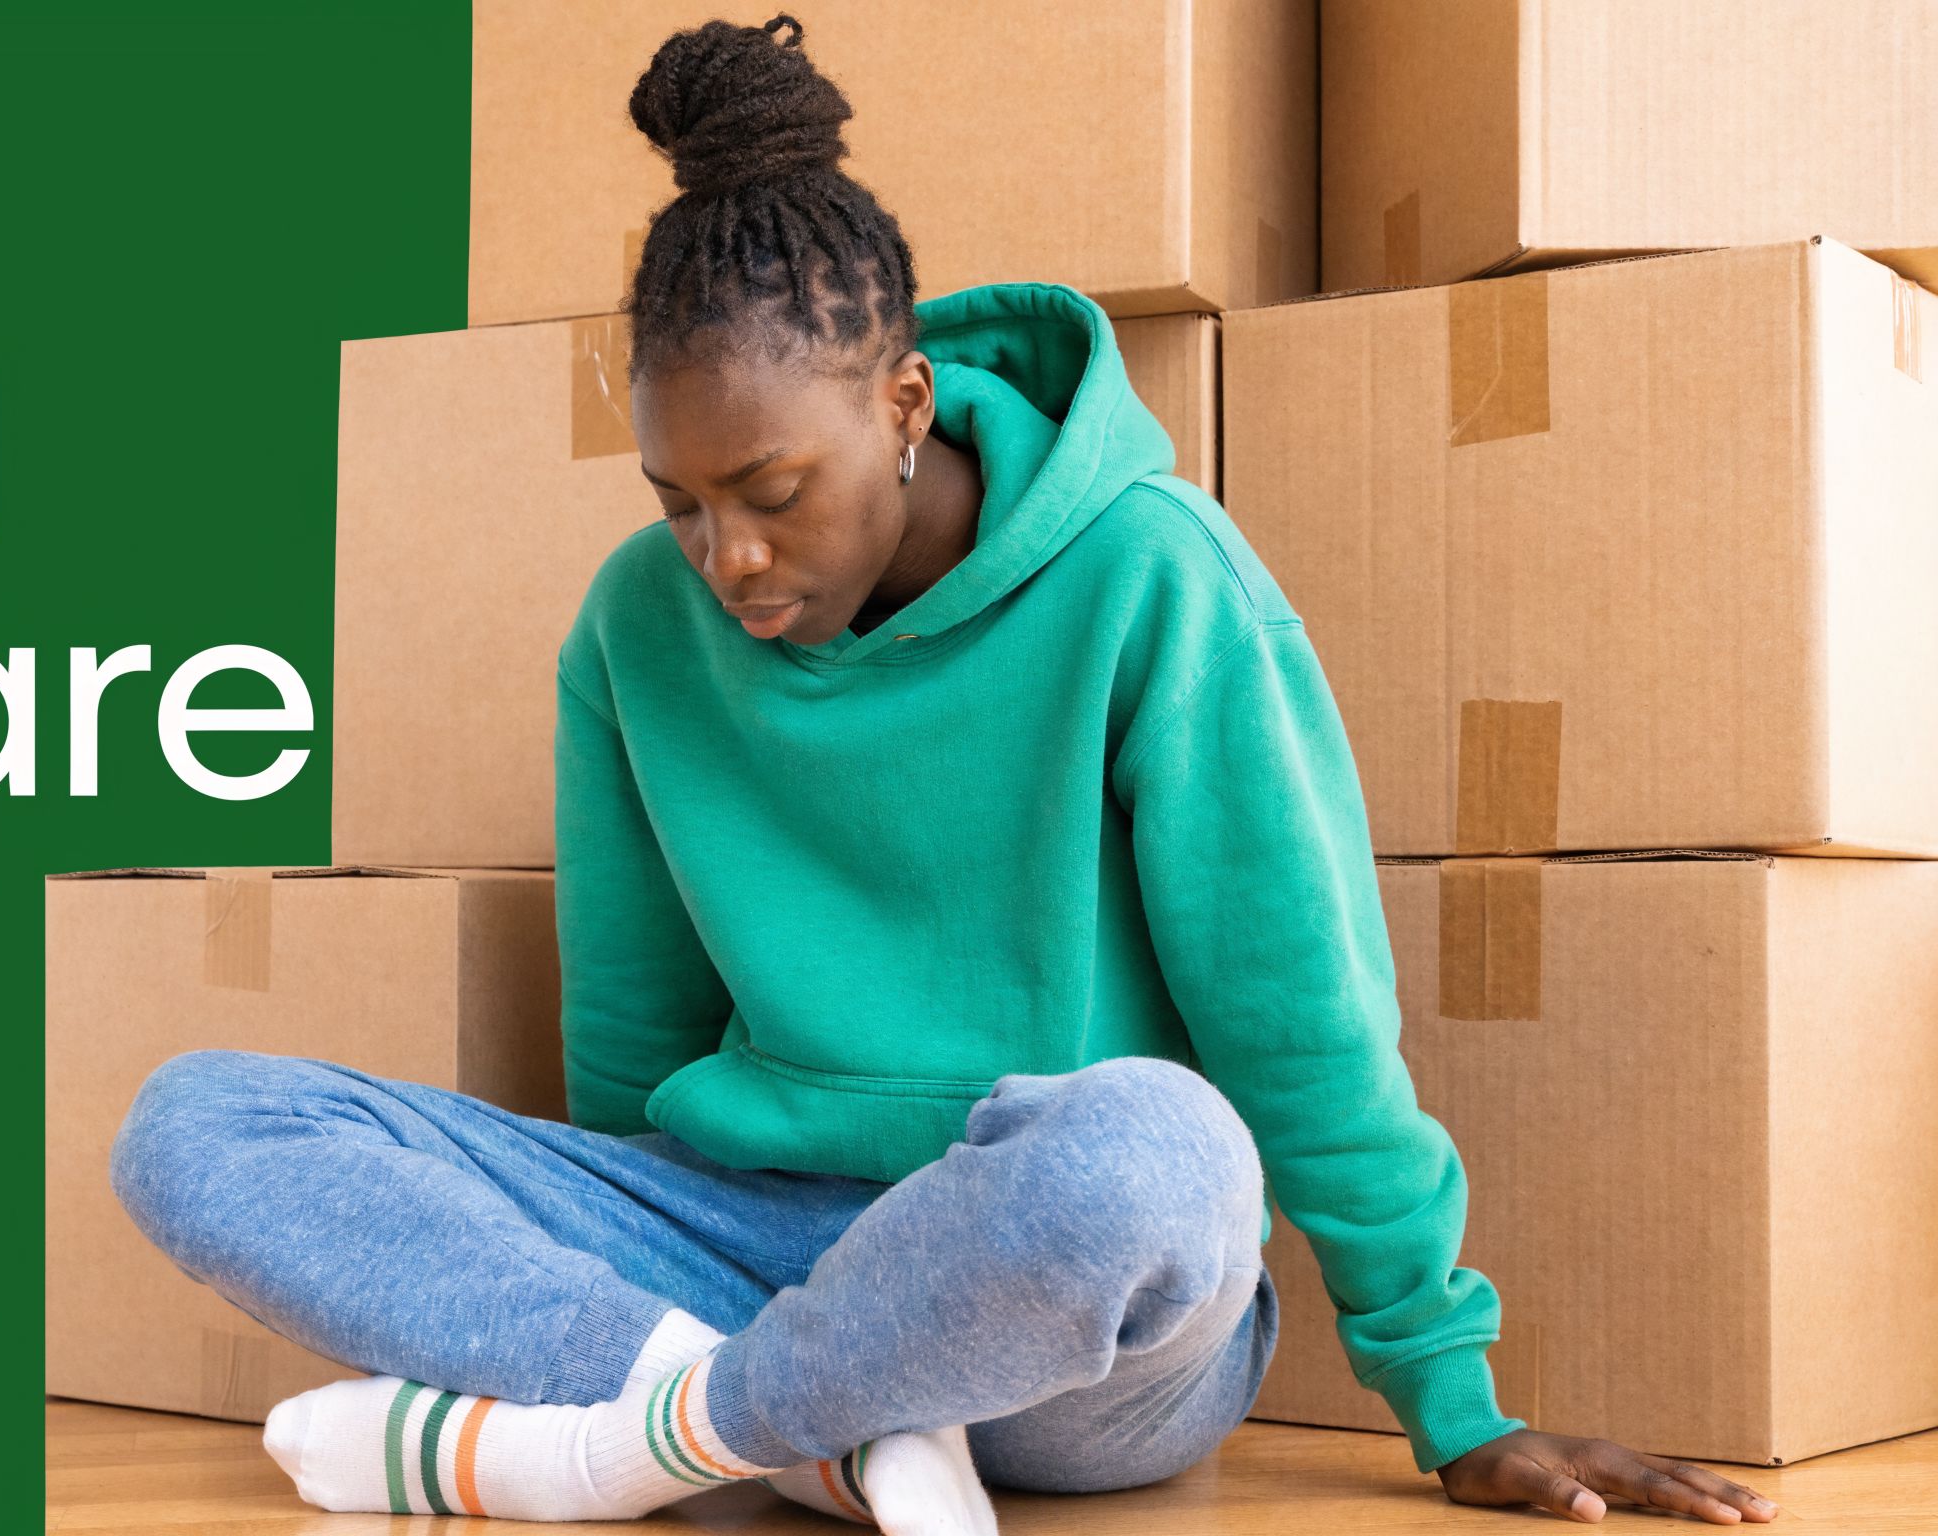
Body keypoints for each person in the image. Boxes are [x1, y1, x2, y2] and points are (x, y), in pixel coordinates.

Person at [107, 15, 1782, 1530]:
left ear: (903, 402)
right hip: (751, 1253)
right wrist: (605, 1260)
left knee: (1161, 1149)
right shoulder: (633, 629)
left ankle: (641, 1444)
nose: (726, 558)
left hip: (1070, 1318)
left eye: (771, 489)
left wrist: (1450, 1398)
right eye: (679, 504)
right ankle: (792, 1430)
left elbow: (1304, 1023)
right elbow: (631, 1049)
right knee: (200, 1124)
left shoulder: (1151, 577)